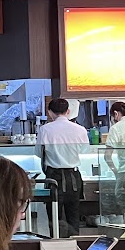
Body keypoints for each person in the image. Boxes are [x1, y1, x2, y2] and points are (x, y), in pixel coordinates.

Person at [38, 98, 89, 237]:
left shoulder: (45, 129)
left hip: (53, 177)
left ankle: (56, 243)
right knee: (74, 215)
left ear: (50, 112)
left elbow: (38, 153)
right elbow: (85, 151)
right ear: (68, 111)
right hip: (74, 177)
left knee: (54, 216)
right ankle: (74, 242)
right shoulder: (80, 129)